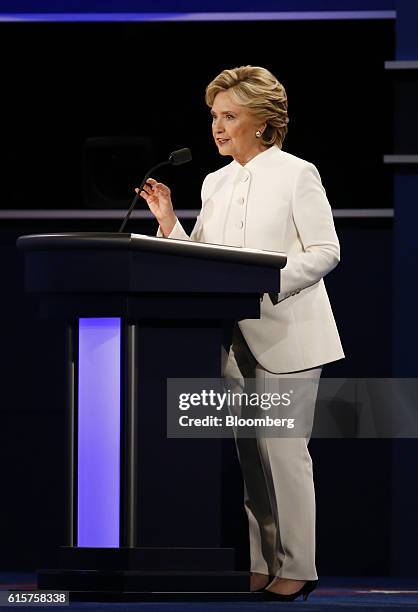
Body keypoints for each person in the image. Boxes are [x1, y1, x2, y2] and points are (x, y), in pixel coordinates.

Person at [137, 65, 344, 602]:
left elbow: (326, 252)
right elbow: (207, 259)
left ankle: (300, 566)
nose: (218, 128)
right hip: (235, 337)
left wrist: (263, 284)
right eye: (214, 117)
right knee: (251, 459)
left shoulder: (298, 173)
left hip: (289, 334)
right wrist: (168, 224)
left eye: (231, 117)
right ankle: (262, 564)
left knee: (283, 453)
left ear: (264, 123)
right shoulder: (215, 181)